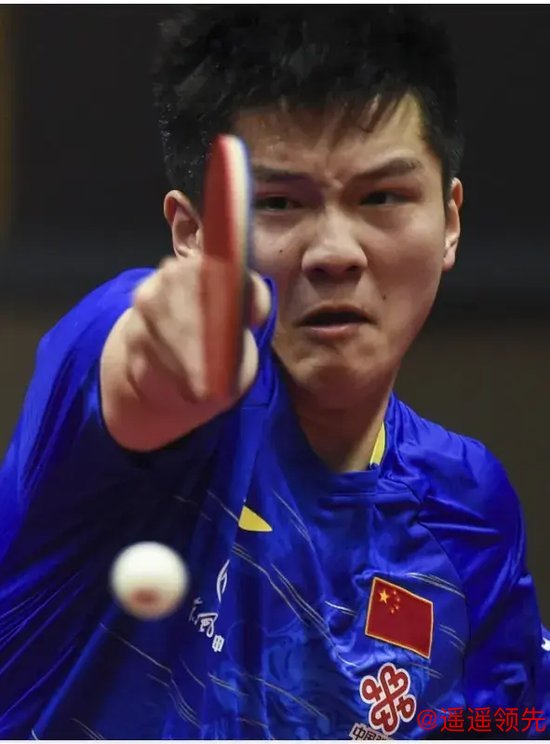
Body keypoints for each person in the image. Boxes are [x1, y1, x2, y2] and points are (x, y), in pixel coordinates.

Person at [0, 6, 547, 740]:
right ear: (191, 234)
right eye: (282, 203)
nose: (336, 252)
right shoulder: (112, 409)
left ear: (449, 221)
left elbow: (506, 722)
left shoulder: (468, 510)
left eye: (382, 197)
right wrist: (168, 360)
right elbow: (135, 366)